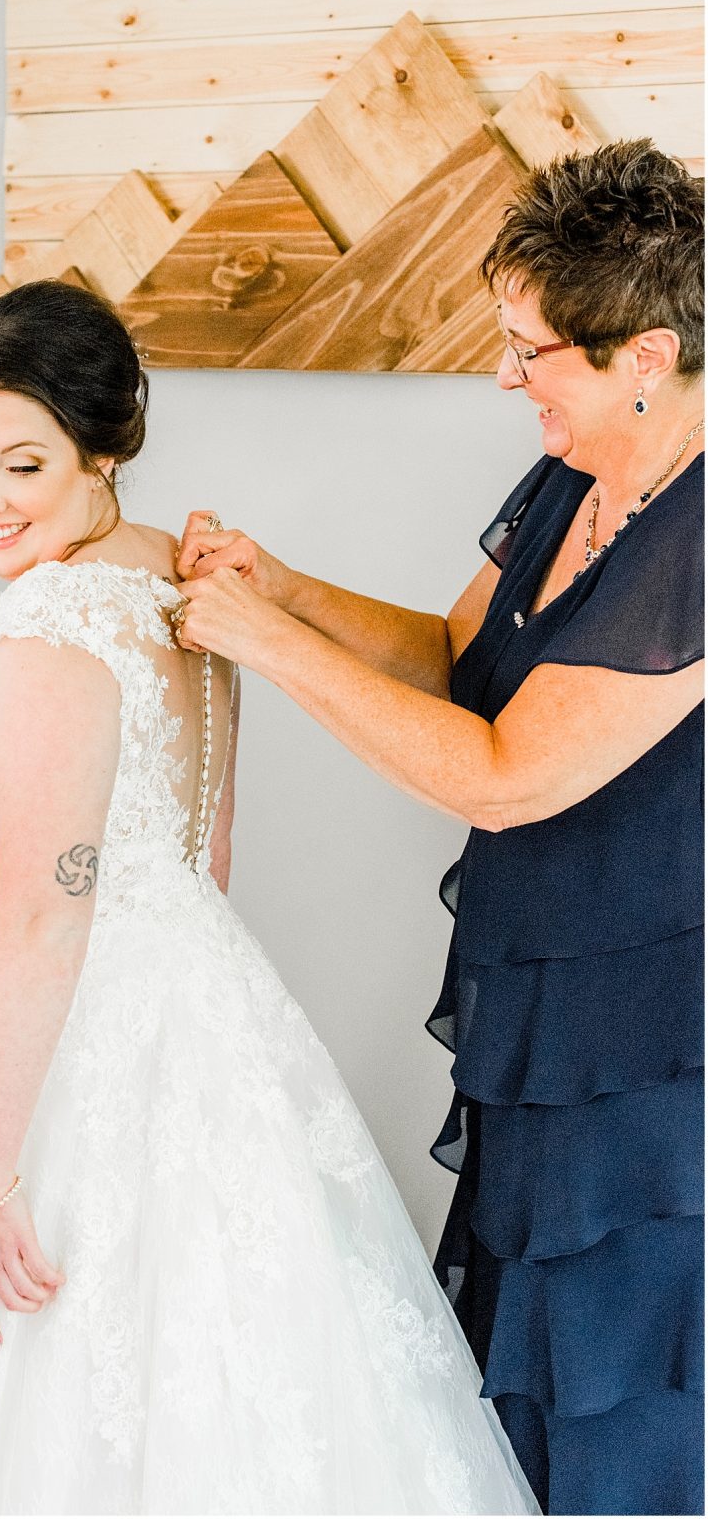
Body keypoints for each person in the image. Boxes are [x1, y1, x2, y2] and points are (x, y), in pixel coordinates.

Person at [0, 281, 536, 1516]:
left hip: (48, 1036)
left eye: (21, 462)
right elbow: (205, 859)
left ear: (103, 448)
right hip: (201, 1010)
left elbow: (47, 911)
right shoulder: (187, 581)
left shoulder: (53, 622)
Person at [173, 139, 704, 1517]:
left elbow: (501, 774)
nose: (503, 376)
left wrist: (267, 652)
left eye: (531, 350)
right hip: (537, 1000)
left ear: (641, 352)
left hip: (652, 1039)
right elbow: (454, 661)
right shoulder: (571, 481)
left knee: (623, 1381)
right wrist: (281, 591)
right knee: (519, 1359)